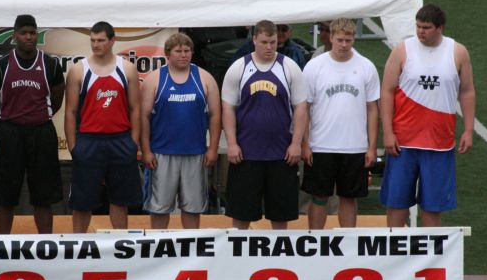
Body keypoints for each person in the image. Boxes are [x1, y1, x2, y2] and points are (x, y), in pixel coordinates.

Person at [380, 4, 475, 227]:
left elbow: (467, 90)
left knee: (433, 205)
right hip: (403, 141)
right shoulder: (403, 50)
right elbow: (387, 90)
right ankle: (395, 253)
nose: (421, 31)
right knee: (397, 202)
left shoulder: (457, 52)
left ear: (440, 28)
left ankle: (429, 256)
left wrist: (469, 130)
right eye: (418, 26)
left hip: (439, 142)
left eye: (426, 27)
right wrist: (388, 132)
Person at [221, 19, 307, 230]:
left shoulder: (289, 67)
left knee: (280, 214)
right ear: (254, 40)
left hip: (281, 154)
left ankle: (278, 256)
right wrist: (231, 143)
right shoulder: (239, 67)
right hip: (246, 154)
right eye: (264, 42)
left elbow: (301, 108)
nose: (269, 47)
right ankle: (238, 253)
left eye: (273, 42)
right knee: (241, 213)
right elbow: (228, 108)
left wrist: (296, 143)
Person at [0, 15, 64, 234]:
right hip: (10, 133)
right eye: (23, 33)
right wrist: (6, 119)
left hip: (41, 133)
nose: (29, 37)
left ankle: (46, 242)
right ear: (14, 36)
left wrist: (37, 117)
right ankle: (2, 242)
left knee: (43, 196)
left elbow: (57, 100)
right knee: (5, 197)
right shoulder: (0, 66)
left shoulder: (50, 64)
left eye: (32, 32)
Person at [300, 18, 380, 229]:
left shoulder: (366, 67)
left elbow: (373, 109)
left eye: (348, 40)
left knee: (348, 197)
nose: (344, 44)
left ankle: (348, 242)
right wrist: (305, 143)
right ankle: (315, 240)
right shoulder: (314, 67)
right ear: (331, 37)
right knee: (319, 197)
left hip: (354, 146)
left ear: (354, 38)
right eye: (340, 40)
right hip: (321, 144)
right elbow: (304, 108)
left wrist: (371, 147)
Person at [64, 21, 141, 233]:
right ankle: (77, 245)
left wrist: (133, 142)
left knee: (120, 199)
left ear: (112, 40)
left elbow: (135, 108)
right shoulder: (79, 70)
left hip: (120, 140)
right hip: (89, 141)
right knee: (82, 201)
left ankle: (120, 243)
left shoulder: (127, 69)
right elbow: (70, 112)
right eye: (92, 40)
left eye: (100, 40)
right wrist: (74, 147)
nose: (95, 44)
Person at [140, 33, 221, 229]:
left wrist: (213, 148)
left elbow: (216, 115)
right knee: (159, 208)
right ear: (168, 54)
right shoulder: (154, 79)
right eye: (178, 51)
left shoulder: (204, 77)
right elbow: (143, 117)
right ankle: (159, 249)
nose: (183, 55)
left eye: (187, 51)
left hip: (195, 152)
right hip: (162, 153)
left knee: (193, 207)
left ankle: (190, 250)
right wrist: (146, 150)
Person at [232, 23, 308, 69]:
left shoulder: (296, 52)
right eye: (277, 28)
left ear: (290, 32)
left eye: (284, 29)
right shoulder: (248, 49)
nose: (280, 32)